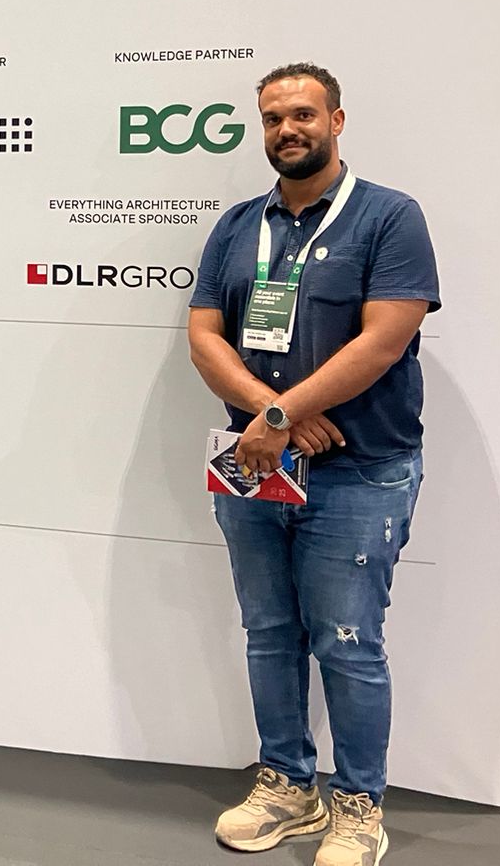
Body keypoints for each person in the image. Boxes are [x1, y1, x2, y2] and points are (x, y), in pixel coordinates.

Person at [186, 63, 439, 865]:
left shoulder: (389, 217)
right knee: (269, 633)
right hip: (255, 467)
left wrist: (276, 417)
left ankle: (359, 806)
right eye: (272, 119)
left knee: (347, 641)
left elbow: (384, 341)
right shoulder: (236, 226)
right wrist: (277, 419)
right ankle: (288, 785)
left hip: (360, 470)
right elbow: (204, 336)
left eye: (302, 114)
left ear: (336, 120)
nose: (286, 130)